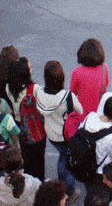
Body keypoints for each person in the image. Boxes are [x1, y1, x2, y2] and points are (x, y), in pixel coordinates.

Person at [34, 61, 83, 202]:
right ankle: (68, 191)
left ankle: (64, 186)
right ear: (61, 78)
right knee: (66, 160)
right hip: (66, 134)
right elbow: (80, 110)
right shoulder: (67, 96)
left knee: (63, 156)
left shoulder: (39, 92)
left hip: (51, 133)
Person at [6, 58, 45, 181]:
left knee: (26, 155)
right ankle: (39, 181)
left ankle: (28, 179)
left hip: (19, 124)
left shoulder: (8, 87)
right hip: (35, 126)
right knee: (39, 158)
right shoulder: (35, 89)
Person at [70, 38, 110, 114]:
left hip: (82, 111)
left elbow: (73, 92)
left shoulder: (76, 72)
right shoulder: (104, 68)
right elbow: (106, 84)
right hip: (99, 111)